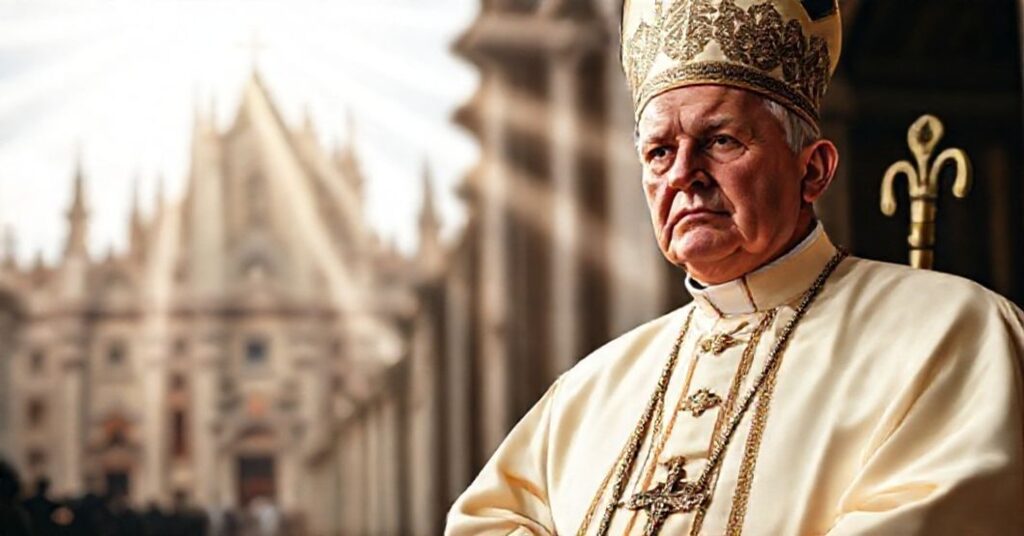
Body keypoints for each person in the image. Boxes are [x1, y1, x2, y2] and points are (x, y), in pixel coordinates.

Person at [446, 0, 1024, 534]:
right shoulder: (588, 391)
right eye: (659, 152)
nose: (683, 176)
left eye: (721, 141)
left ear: (814, 170)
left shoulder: (956, 335)